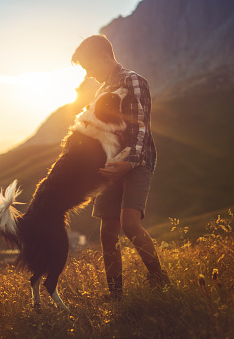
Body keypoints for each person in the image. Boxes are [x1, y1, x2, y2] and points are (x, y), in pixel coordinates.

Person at [72, 35, 169, 300]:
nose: (89, 74)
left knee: (130, 224)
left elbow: (140, 128)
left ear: (105, 56)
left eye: (89, 66)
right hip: (112, 164)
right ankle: (115, 294)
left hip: (137, 161)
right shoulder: (103, 89)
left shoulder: (132, 80)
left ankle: (160, 281)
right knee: (107, 233)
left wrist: (128, 163)